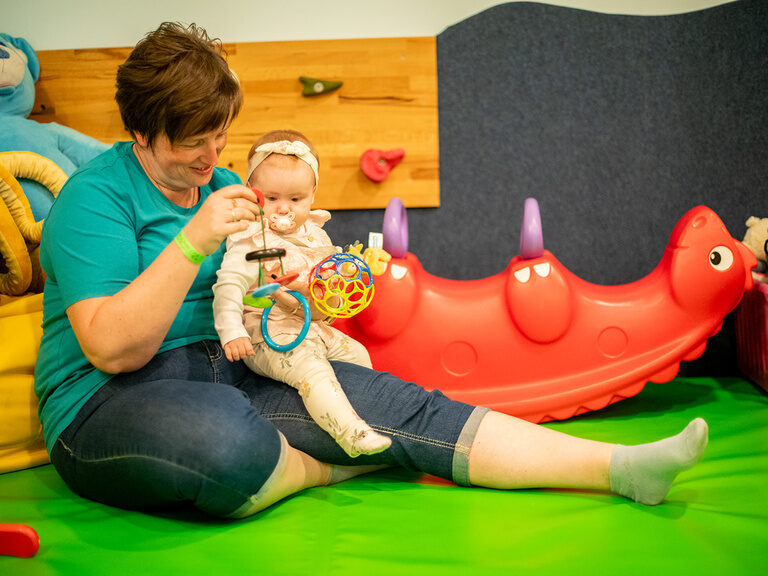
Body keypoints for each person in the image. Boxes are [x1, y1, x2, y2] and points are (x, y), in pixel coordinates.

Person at [34, 21, 709, 519]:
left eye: (221, 134)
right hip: (105, 405)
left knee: (401, 405)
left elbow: (264, 285)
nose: (213, 155)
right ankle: (320, 467)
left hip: (238, 360)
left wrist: (303, 291)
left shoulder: (227, 182)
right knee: (224, 439)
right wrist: (191, 241)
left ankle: (617, 468)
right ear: (144, 131)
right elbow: (113, 349)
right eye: (193, 142)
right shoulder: (94, 198)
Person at [212, 130, 391, 458]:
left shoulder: (315, 237)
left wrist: (340, 286)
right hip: (269, 336)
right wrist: (231, 331)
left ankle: (376, 414)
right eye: (272, 198)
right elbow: (228, 286)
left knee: (358, 355)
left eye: (296, 200)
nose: (284, 209)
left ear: (312, 195)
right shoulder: (252, 240)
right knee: (312, 370)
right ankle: (349, 432)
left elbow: (329, 297)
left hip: (314, 328)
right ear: (253, 195)